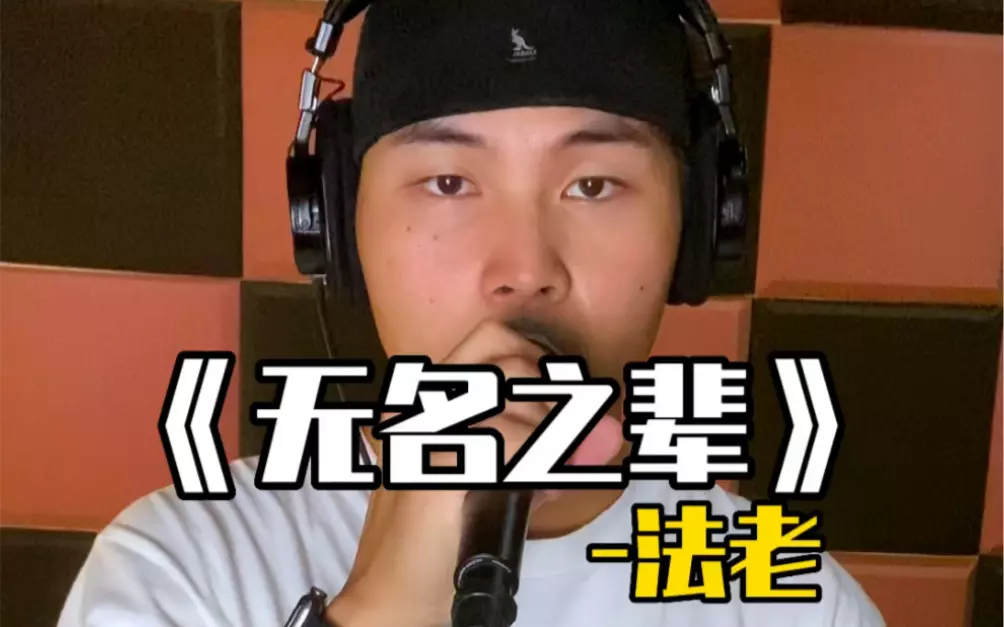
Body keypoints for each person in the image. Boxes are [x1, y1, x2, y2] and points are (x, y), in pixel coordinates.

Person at [58, 0, 885, 625]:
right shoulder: (182, 569)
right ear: (337, 227)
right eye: (449, 183)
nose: (525, 270)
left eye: (593, 185)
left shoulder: (793, 601)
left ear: (700, 229)